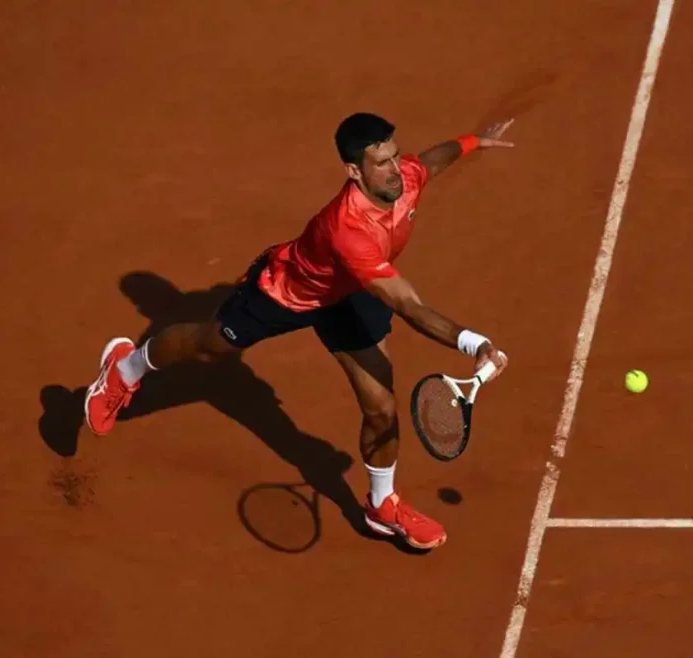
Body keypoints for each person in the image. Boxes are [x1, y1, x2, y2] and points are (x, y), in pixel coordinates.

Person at [84, 112, 513, 550]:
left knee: (382, 407)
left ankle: (382, 505)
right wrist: (474, 343)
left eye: (394, 156)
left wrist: (474, 141)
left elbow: (432, 161)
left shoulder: (405, 177)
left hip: (350, 293)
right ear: (353, 172)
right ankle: (125, 368)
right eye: (381, 163)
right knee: (209, 346)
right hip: (287, 294)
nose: (394, 170)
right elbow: (408, 305)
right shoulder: (348, 229)